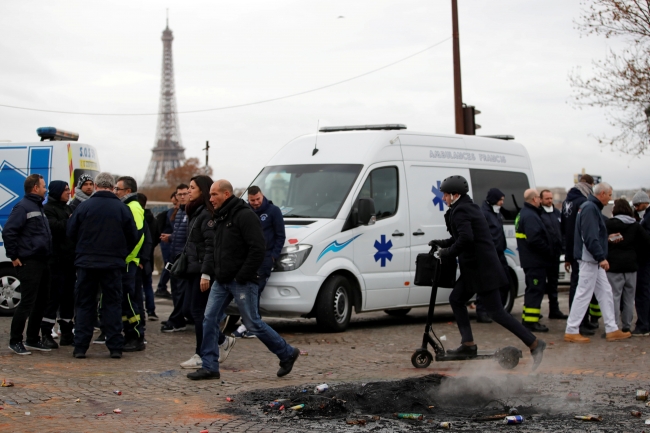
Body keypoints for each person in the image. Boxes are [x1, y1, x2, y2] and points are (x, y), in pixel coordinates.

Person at [429, 176, 546, 370]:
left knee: (497, 312)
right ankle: (468, 345)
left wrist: (447, 252)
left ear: (455, 195)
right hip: (474, 270)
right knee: (456, 299)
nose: (443, 198)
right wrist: (442, 244)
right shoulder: (465, 207)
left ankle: (534, 343)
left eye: (445, 195)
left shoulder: (461, 211)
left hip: (482, 270)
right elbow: (460, 236)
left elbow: (466, 239)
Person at [187, 180, 300, 380]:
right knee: (209, 319)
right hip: (222, 279)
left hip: (241, 280)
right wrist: (211, 272)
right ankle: (210, 366)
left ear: (226, 194)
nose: (210, 199)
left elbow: (258, 249)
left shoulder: (245, 216)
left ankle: (287, 353)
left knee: (253, 322)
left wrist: (242, 275)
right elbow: (215, 248)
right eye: (210, 195)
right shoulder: (221, 216)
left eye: (214, 194)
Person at [67, 172, 138, 358]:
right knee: (112, 304)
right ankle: (115, 346)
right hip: (113, 264)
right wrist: (121, 253)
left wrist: (82, 250)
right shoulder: (122, 208)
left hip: (86, 263)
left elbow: (70, 232)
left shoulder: (84, 207)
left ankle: (80, 346)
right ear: (112, 186)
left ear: (96, 186)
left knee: (84, 304)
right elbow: (133, 236)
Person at [180, 175, 237, 369]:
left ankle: (201, 353)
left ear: (201, 191)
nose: (189, 191)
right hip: (193, 268)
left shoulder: (205, 214)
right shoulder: (196, 212)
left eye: (192, 187)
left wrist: (205, 273)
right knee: (192, 310)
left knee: (198, 313)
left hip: (200, 270)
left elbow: (210, 246)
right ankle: (221, 341)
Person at [564, 182, 631, 343]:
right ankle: (572, 329)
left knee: (605, 292)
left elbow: (591, 235)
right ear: (601, 194)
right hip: (590, 260)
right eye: (609, 195)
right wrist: (601, 257)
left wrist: (604, 242)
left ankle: (611, 328)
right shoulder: (590, 208)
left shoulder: (589, 208)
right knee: (584, 293)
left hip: (591, 259)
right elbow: (589, 237)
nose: (610, 198)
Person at [3, 174, 53, 355]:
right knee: (27, 302)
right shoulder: (23, 207)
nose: (45, 189)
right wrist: (13, 256)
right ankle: (15, 340)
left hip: (43, 261)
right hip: (30, 262)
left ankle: (32, 338)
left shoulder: (38, 207)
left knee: (41, 302)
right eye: (43, 186)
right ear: (35, 188)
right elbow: (9, 231)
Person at [232, 185, 286, 338]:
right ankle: (249, 323)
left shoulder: (273, 211)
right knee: (247, 291)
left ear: (262, 196)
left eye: (258, 199)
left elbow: (280, 235)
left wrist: (273, 256)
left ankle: (251, 325)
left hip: (265, 258)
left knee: (254, 291)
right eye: (252, 200)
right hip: (248, 259)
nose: (255, 203)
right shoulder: (245, 212)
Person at [112, 176, 149, 352]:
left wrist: (125, 256)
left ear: (127, 191)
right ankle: (130, 334)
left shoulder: (133, 207)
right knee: (126, 301)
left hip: (127, 262)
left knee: (129, 301)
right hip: (127, 260)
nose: (115, 192)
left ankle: (136, 336)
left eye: (117, 189)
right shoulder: (128, 206)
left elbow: (137, 235)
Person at [561, 174, 600, 334]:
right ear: (589, 185)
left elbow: (564, 229)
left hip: (572, 249)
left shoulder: (566, 202)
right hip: (581, 251)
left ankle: (580, 321)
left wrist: (567, 255)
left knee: (577, 287)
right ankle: (580, 323)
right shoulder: (583, 202)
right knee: (581, 289)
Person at [605, 199, 650, 332]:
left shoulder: (608, 224)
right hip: (631, 266)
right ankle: (627, 326)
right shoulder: (636, 225)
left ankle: (614, 327)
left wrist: (612, 240)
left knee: (614, 297)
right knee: (630, 298)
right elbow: (647, 242)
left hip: (614, 266)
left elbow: (603, 241)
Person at [41, 181, 76, 349]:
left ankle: (67, 333)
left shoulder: (68, 208)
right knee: (52, 299)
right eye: (65, 190)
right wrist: (70, 222)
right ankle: (46, 333)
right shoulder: (47, 209)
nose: (69, 192)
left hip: (70, 262)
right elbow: (53, 227)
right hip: (55, 262)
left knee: (68, 299)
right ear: (56, 192)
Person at [515, 189, 553, 332]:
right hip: (535, 260)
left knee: (533, 289)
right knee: (535, 290)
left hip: (530, 260)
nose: (540, 200)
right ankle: (531, 323)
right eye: (538, 197)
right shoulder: (530, 215)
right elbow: (535, 239)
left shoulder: (524, 213)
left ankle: (529, 318)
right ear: (534, 199)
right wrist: (548, 250)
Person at [476, 188, 510, 324]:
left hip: (499, 253)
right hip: (489, 255)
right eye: (500, 200)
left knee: (504, 282)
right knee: (486, 285)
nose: (502, 203)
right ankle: (482, 312)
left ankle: (497, 311)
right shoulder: (484, 213)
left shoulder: (496, 213)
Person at [161, 184, 191, 332]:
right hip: (175, 256)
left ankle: (177, 319)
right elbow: (180, 234)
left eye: (185, 193)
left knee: (180, 291)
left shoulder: (190, 212)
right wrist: (171, 237)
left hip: (183, 258)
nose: (182, 196)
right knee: (176, 290)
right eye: (180, 194)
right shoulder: (180, 212)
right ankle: (177, 317)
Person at [539, 189, 568, 319]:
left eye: (551, 198)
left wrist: (563, 247)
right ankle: (535, 310)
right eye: (547, 199)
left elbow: (562, 232)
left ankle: (554, 310)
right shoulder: (538, 214)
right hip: (543, 256)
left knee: (553, 284)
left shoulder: (557, 213)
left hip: (555, 255)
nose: (550, 201)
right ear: (541, 200)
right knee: (539, 285)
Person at [137, 193, 160, 321]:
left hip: (138, 256)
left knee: (137, 287)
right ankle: (151, 311)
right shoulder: (153, 219)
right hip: (149, 256)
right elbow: (156, 237)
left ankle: (139, 312)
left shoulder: (138, 217)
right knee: (148, 285)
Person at [155, 191, 178, 299]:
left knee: (169, 265)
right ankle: (161, 287)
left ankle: (161, 286)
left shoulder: (173, 213)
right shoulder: (173, 213)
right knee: (169, 265)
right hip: (168, 243)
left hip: (169, 242)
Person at [633, 190, 650, 336]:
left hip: (645, 261)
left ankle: (643, 324)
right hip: (645, 260)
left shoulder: (648, 218)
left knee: (642, 292)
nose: (636, 208)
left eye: (638, 205)